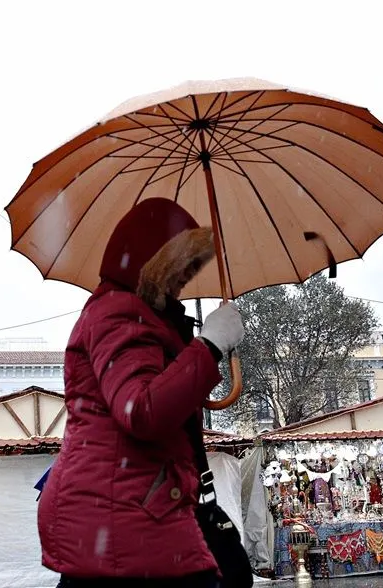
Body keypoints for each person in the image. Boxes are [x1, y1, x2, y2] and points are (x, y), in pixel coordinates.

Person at [37, 198, 245, 587]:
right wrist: (211, 345)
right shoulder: (119, 312)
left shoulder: (146, 315)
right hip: (125, 515)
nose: (187, 278)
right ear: (154, 262)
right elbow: (142, 409)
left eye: (193, 268)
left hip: (128, 511)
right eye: (182, 267)